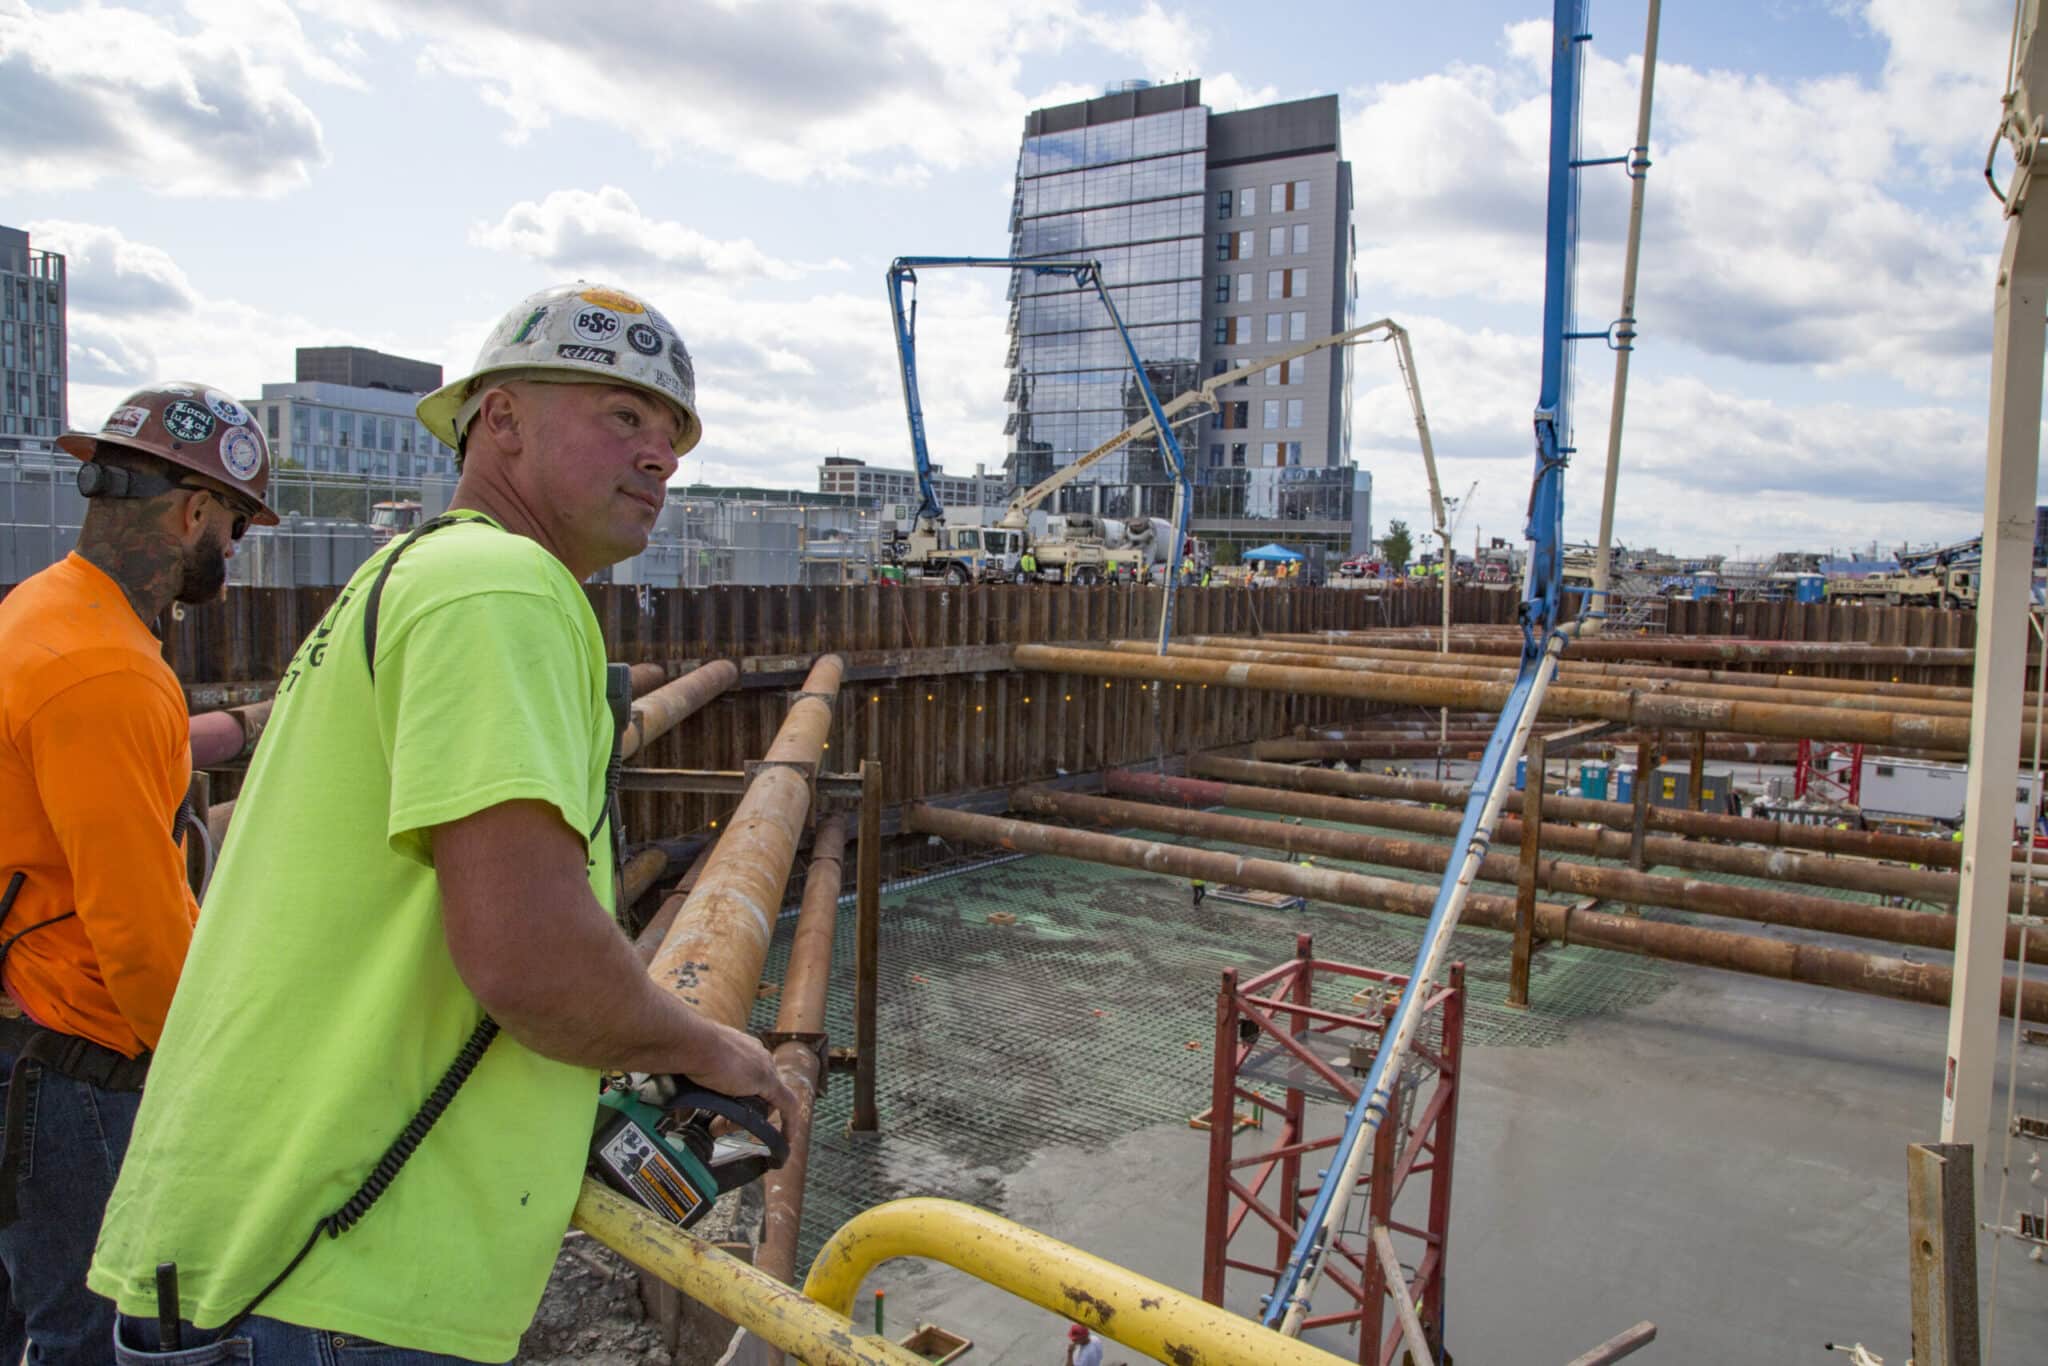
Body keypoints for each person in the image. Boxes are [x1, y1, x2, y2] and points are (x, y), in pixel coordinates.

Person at [89, 284, 797, 1363]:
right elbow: (528, 957)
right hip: (338, 1277)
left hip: (238, 1253)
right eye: (621, 416)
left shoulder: (403, 577)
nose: (659, 455)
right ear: (498, 417)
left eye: (673, 436)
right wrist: (711, 1047)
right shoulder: (500, 589)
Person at [0, 382, 273, 1366]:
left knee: (30, 1313)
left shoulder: (39, 606)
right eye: (234, 529)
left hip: (25, 1034)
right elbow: (137, 922)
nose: (230, 554)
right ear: (195, 509)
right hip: (74, 1060)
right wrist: (204, 1078)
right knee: (82, 1334)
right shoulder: (106, 669)